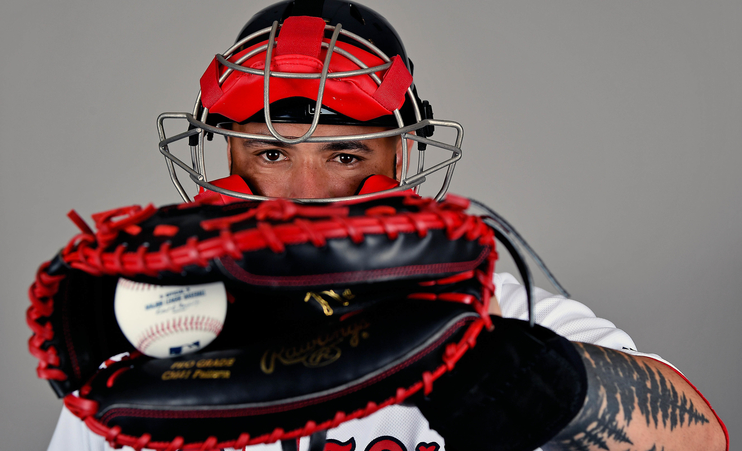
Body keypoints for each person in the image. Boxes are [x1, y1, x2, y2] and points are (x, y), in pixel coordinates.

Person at [48, 1, 727, 450]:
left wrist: (503, 377)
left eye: (344, 154)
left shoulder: (477, 311)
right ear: (223, 153)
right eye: (271, 152)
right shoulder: (146, 343)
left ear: (400, 160)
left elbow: (698, 439)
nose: (303, 195)